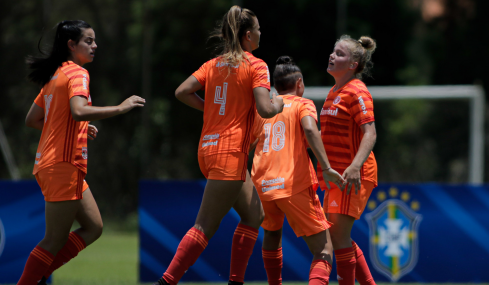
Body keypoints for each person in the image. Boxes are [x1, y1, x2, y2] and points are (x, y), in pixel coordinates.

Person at [152, 5, 284, 285]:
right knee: (204, 226)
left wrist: (210, 109)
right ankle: (166, 281)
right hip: (230, 153)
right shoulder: (256, 65)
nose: (261, 34)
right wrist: (278, 103)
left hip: (208, 149)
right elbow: (265, 109)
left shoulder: (213, 64)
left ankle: (235, 281)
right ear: (248, 35)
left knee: (254, 214)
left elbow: (181, 91)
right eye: (258, 30)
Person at [19, 20, 145, 285]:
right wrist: (120, 108)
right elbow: (78, 110)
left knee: (94, 227)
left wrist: (76, 128)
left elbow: (33, 119)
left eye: (94, 40)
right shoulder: (77, 73)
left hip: (53, 164)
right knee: (54, 239)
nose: (94, 45)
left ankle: (38, 277)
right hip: (62, 164)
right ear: (71, 45)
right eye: (89, 41)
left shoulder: (56, 75)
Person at [250, 56, 345, 285]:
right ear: (299, 84)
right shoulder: (303, 104)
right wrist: (327, 167)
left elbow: (250, 140)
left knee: (272, 235)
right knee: (323, 250)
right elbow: (311, 131)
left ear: (275, 87)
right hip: (292, 184)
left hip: (261, 184)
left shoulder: (264, 108)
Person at [318, 35, 378, 285]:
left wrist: (355, 166)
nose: (332, 56)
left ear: (353, 64)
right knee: (337, 235)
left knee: (337, 237)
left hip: (354, 174)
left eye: (340, 54)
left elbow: (370, 133)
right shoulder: (334, 91)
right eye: (333, 51)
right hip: (337, 176)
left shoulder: (357, 90)